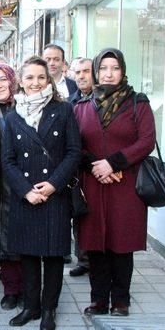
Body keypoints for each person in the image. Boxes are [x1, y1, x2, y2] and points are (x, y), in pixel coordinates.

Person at [75, 48, 156, 317]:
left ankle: (121, 300)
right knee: (96, 245)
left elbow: (146, 141)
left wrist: (114, 162)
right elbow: (75, 145)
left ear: (123, 71)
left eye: (115, 68)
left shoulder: (137, 103)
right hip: (93, 183)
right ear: (96, 73)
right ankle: (98, 299)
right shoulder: (83, 106)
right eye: (103, 69)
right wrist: (96, 166)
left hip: (126, 185)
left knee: (122, 245)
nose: (109, 74)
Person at [3, 55, 81, 330]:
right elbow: (8, 160)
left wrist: (53, 184)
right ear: (20, 82)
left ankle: (49, 309)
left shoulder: (63, 110)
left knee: (52, 256)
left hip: (54, 195)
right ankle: (31, 306)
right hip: (26, 197)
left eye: (40, 77)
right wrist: (25, 191)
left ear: (48, 80)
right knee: (28, 255)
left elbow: (74, 151)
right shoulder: (13, 117)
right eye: (29, 78)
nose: (35, 83)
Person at [0, 63, 23, 310]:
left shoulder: (26, 106)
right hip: (0, 184)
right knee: (4, 239)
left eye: (3, 79)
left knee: (27, 238)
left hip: (27, 181)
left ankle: (29, 288)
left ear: (12, 80)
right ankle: (11, 290)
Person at [68, 58, 94, 278]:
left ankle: (99, 260)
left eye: (86, 71)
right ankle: (83, 259)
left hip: (101, 166)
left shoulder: (101, 98)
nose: (82, 76)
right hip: (78, 168)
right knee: (80, 214)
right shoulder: (72, 101)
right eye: (78, 72)